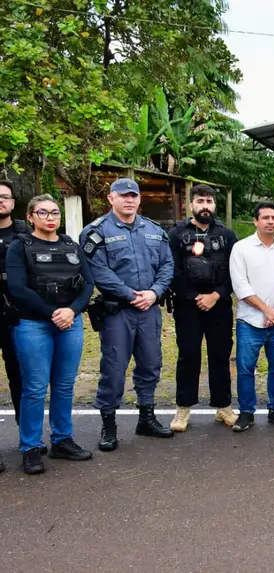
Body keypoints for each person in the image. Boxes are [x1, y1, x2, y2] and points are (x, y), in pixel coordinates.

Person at [81, 178, 175, 451]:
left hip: (148, 310)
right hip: (117, 312)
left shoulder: (155, 231)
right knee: (113, 369)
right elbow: (97, 271)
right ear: (111, 199)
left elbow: (168, 265)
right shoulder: (96, 232)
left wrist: (155, 292)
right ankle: (108, 425)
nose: (129, 200)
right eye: (123, 196)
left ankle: (146, 418)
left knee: (150, 364)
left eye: (133, 195)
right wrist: (130, 294)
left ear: (139, 199)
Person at [6, 195, 94, 474]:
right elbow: (18, 289)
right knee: (34, 387)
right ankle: (31, 447)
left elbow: (88, 284)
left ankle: (62, 440)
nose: (50, 217)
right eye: (42, 212)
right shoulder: (19, 246)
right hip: (33, 324)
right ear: (30, 217)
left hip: (70, 323)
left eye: (54, 212)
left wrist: (72, 311)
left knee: (65, 385)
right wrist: (53, 313)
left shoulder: (71, 245)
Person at [167, 184, 238, 432]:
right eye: (200, 201)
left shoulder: (227, 236)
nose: (205, 206)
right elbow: (171, 271)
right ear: (191, 205)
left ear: (214, 205)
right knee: (188, 356)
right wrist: (195, 296)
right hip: (188, 306)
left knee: (220, 355)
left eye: (209, 201)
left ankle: (223, 407)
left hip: (219, 306)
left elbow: (235, 272)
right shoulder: (176, 235)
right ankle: (183, 409)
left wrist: (216, 295)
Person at [228, 201, 274, 432]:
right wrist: (267, 311)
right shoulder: (241, 248)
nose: (270, 222)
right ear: (255, 221)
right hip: (250, 321)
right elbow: (240, 285)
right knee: (246, 369)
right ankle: (246, 413)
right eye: (265, 217)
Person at [0, 179, 29, 473]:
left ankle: (27, 438)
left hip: (16, 314)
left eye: (5, 197)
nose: (1, 201)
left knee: (20, 377)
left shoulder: (24, 233)